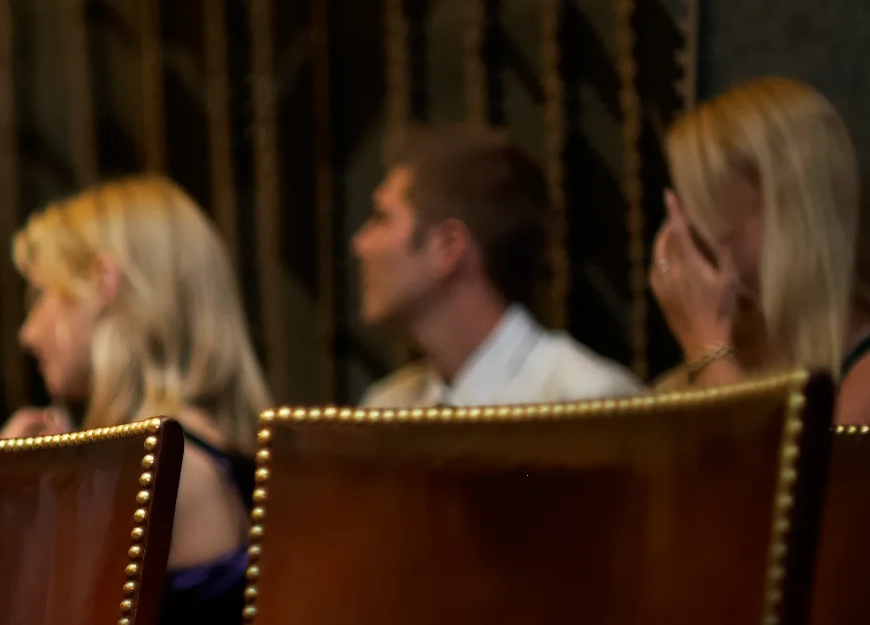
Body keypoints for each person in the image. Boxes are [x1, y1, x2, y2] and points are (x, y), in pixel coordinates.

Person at [2, 176, 268, 625]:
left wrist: (8, 495)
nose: (29, 331)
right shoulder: (205, 449)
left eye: (45, 295)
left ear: (104, 284)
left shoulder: (163, 464)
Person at [353, 123, 641, 408]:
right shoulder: (389, 408)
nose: (360, 244)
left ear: (448, 246)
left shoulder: (583, 401)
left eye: (382, 218)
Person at [651, 77, 870, 423]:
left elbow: (770, 473)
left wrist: (708, 349)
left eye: (706, 201)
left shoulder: (861, 371)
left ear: (785, 212)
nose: (685, 230)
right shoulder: (742, 341)